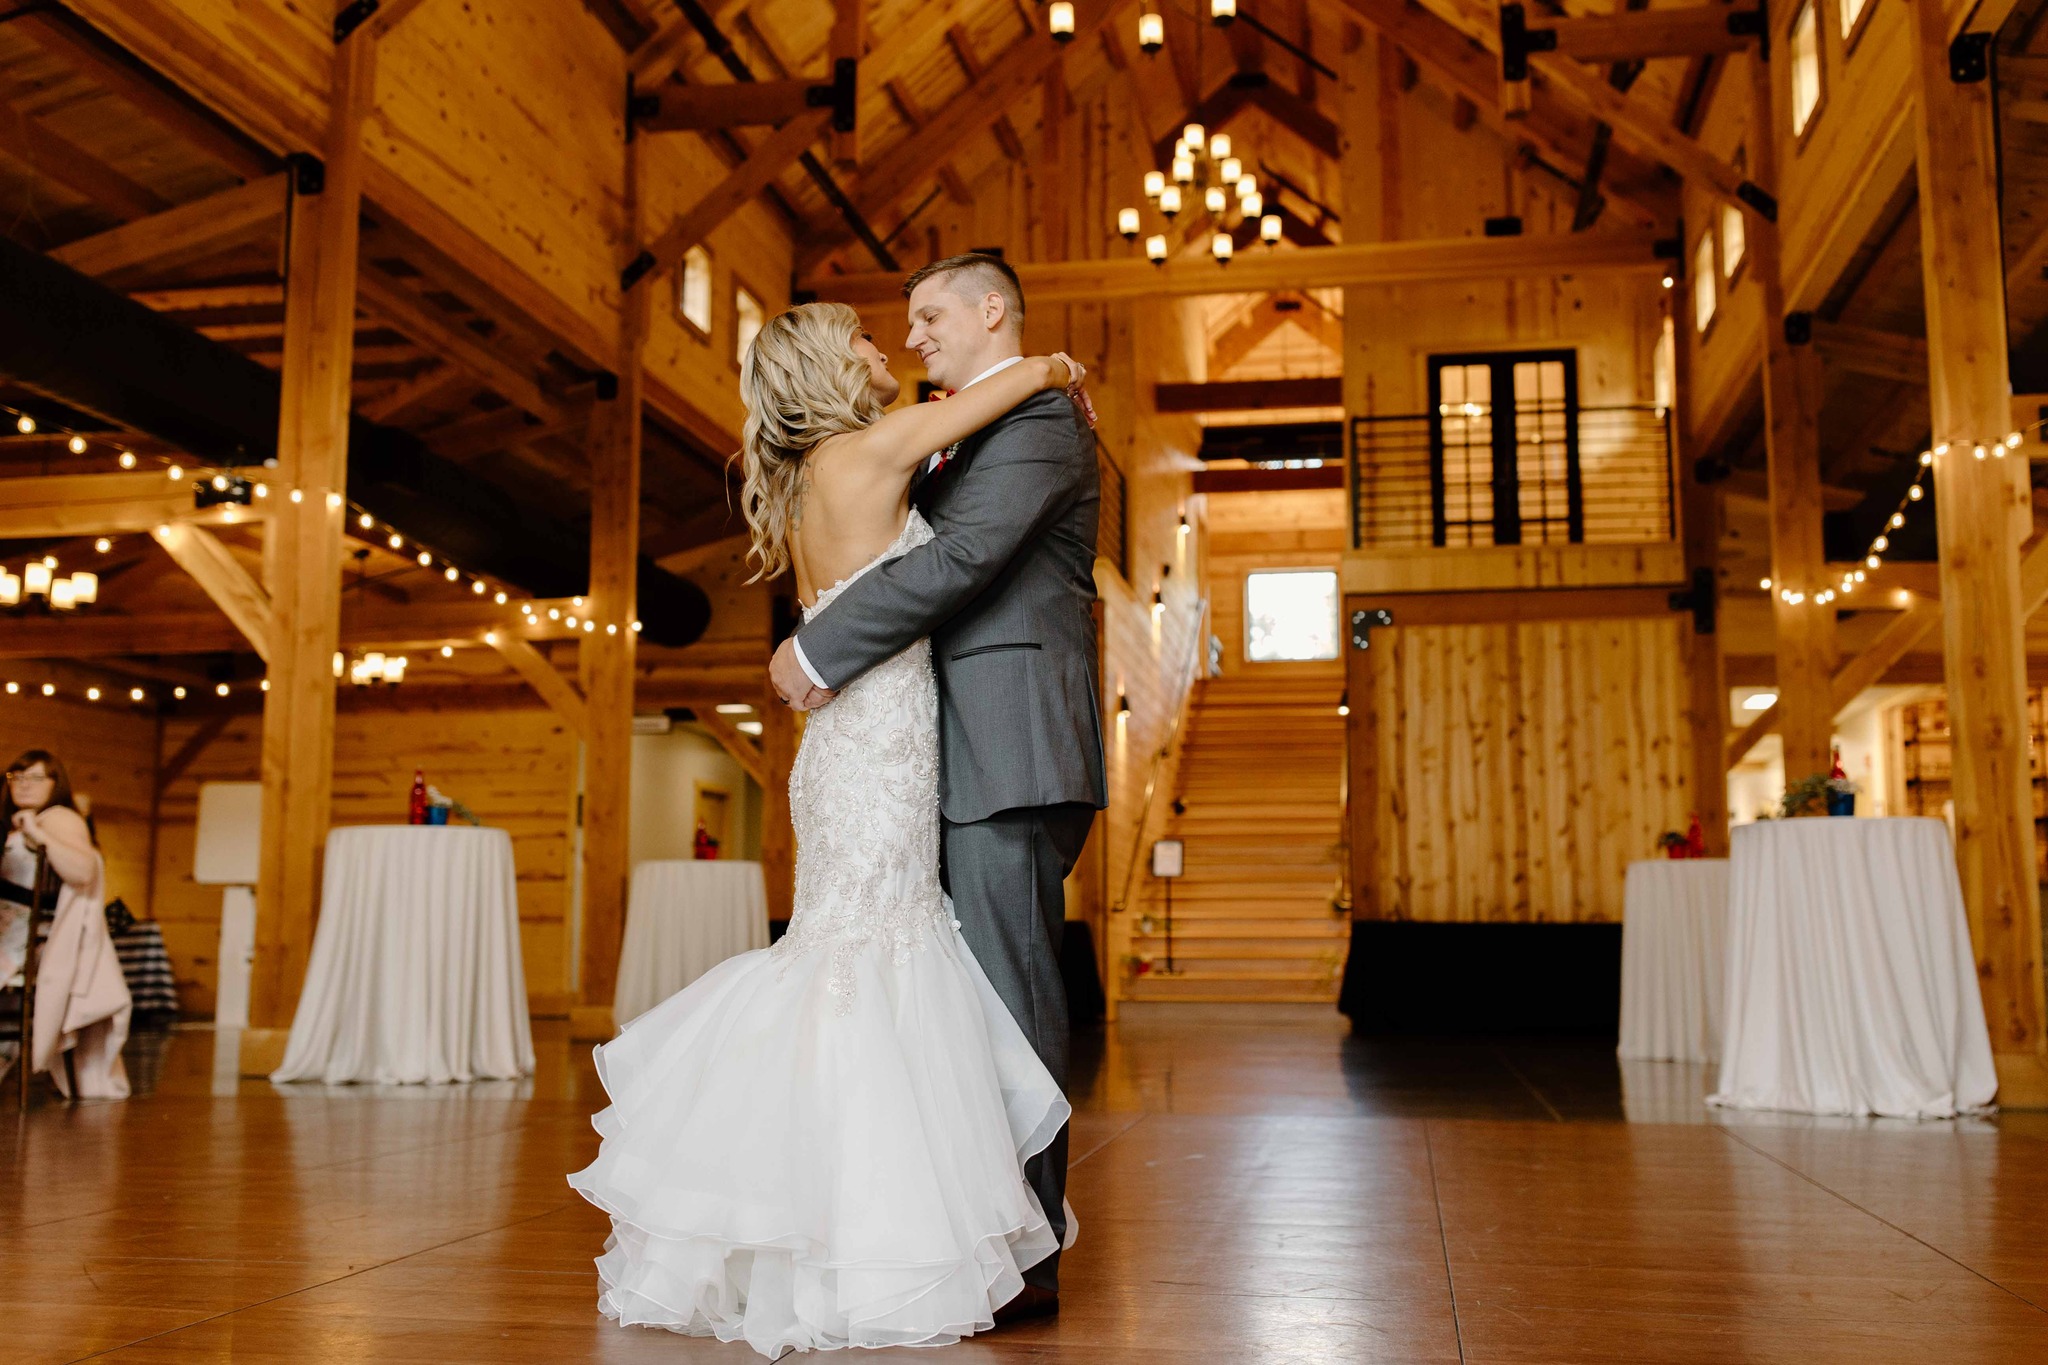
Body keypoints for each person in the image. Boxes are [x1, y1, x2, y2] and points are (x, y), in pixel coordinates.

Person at [568, 285, 1095, 1357]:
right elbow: (996, 398)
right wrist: (1051, 370)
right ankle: (888, 1240)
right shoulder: (878, 448)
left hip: (843, 752)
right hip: (884, 748)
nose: (883, 342)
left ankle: (809, 1225)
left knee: (843, 966)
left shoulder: (811, 473)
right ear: (829, 366)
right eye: (862, 333)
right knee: (884, 972)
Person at [769, 255, 1107, 1322]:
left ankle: (1025, 1257)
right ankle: (946, 1226)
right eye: (897, 323)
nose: (908, 334)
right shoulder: (951, 426)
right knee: (938, 1006)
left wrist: (814, 648)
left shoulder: (1039, 423)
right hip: (930, 754)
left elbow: (958, 560)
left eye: (926, 314)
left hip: (1005, 752)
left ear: (988, 309)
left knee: (1009, 1003)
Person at [3, 750, 130, 1097]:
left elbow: (83, 870)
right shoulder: (15, 820)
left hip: (27, 936)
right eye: (17, 777)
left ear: (55, 783)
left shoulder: (58, 819)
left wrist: (39, 835)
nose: (24, 786)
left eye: (35, 778)